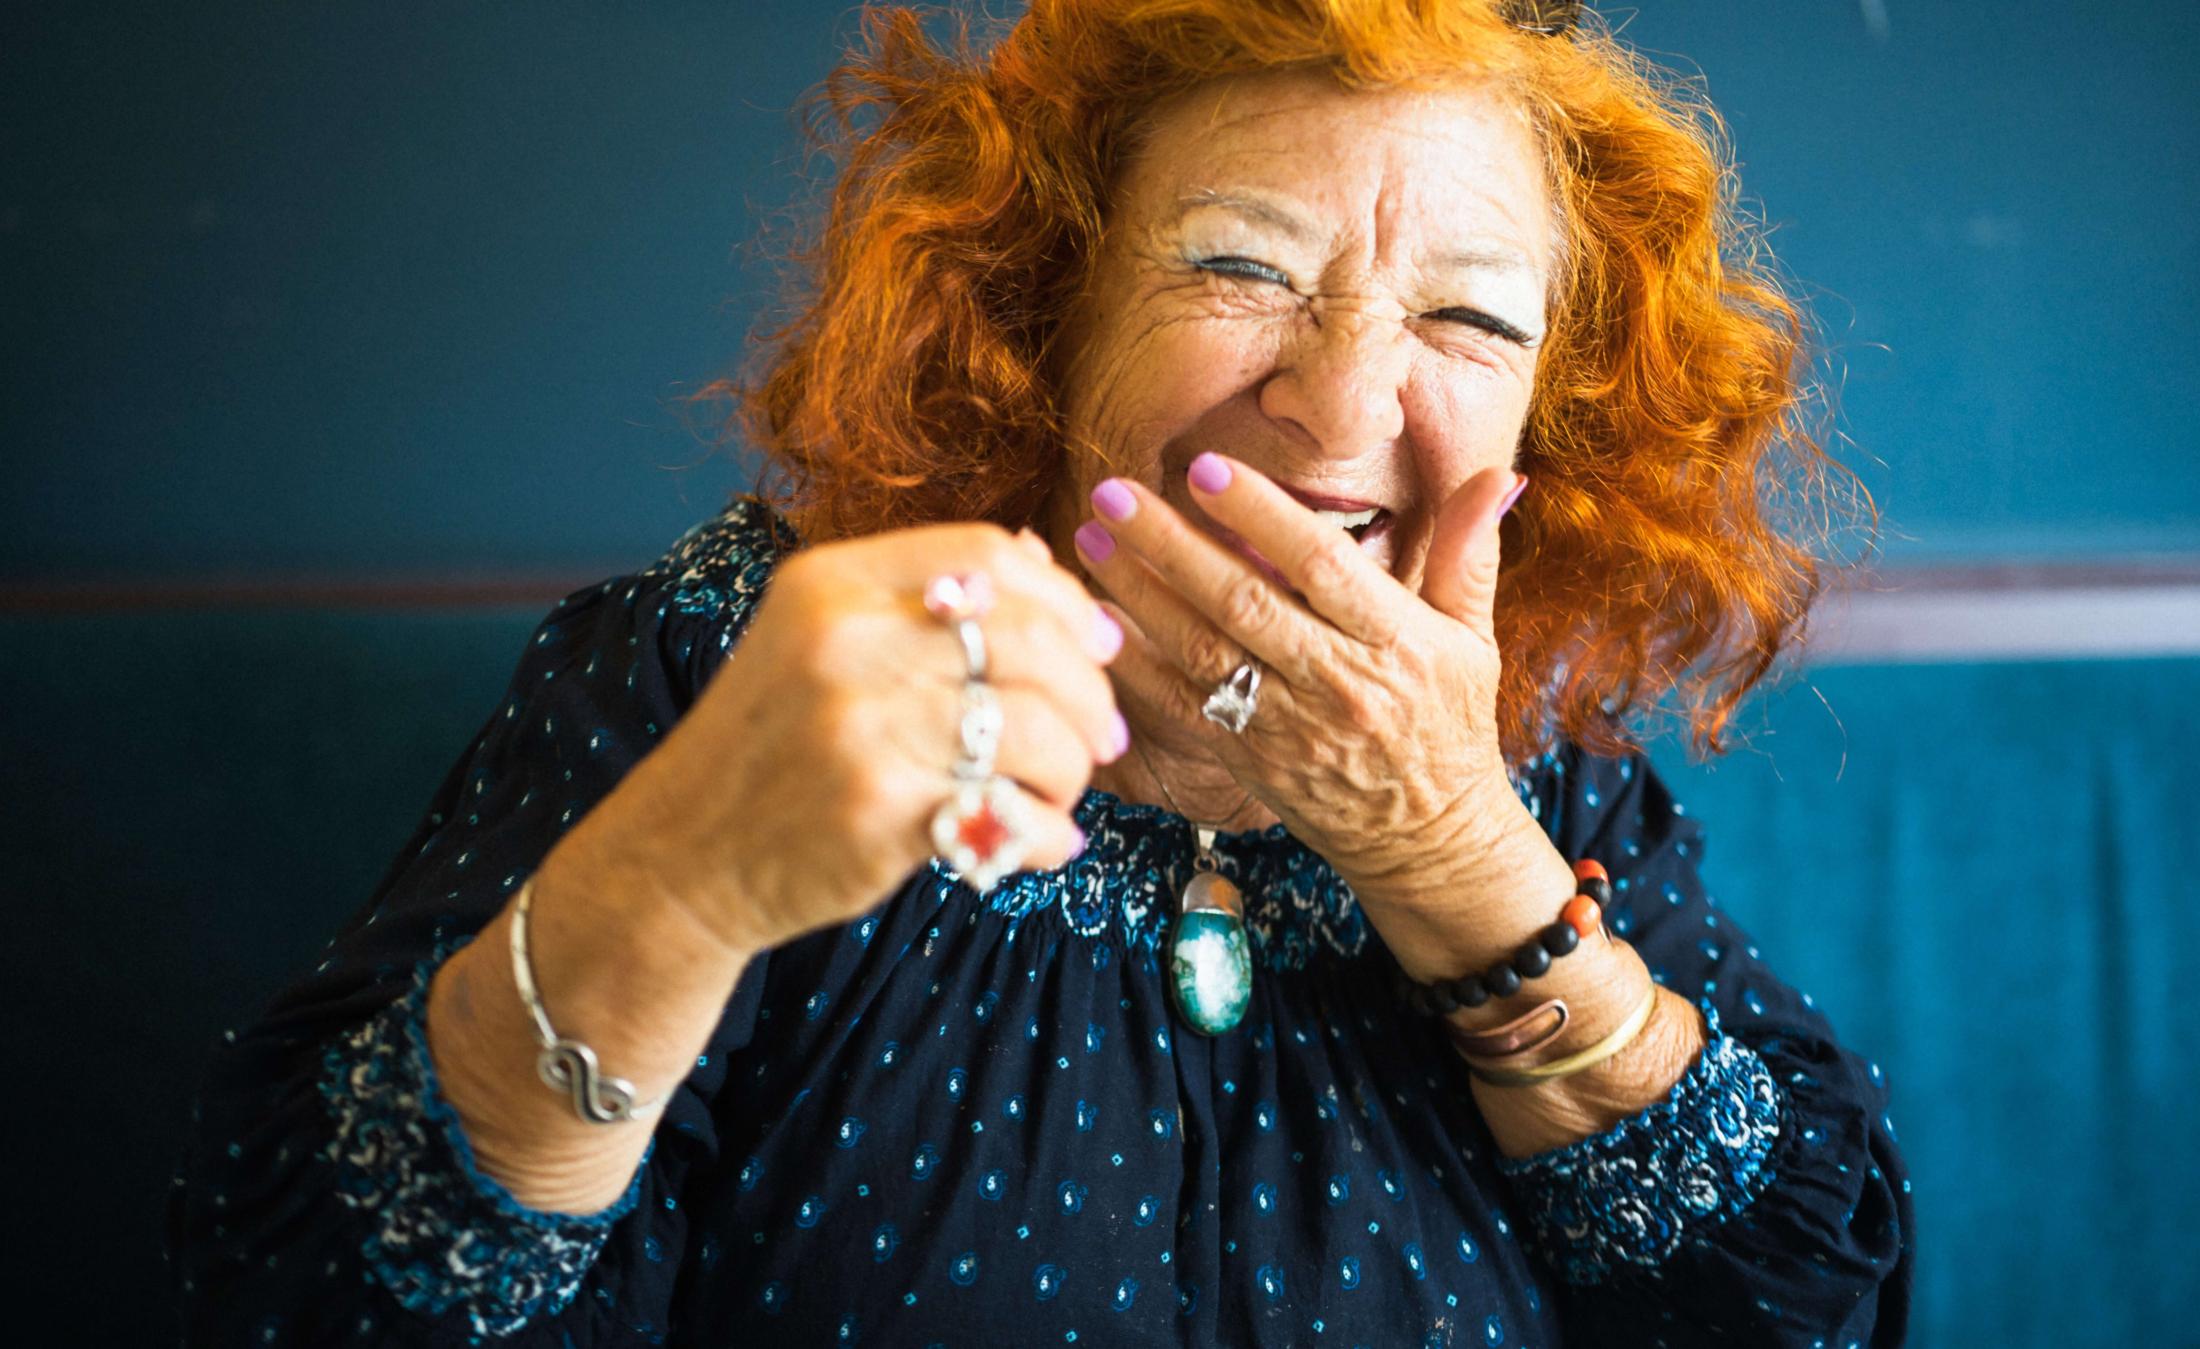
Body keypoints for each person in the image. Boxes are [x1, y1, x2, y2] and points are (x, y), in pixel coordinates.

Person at [172, 1, 1912, 1343]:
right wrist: (685, 874)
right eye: (1240, 267)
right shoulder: (727, 664)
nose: (1342, 403)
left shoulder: (1539, 753)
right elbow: (323, 1291)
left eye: (1469, 317)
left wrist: (1459, 853)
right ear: (1041, 316)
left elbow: (1809, 1302)